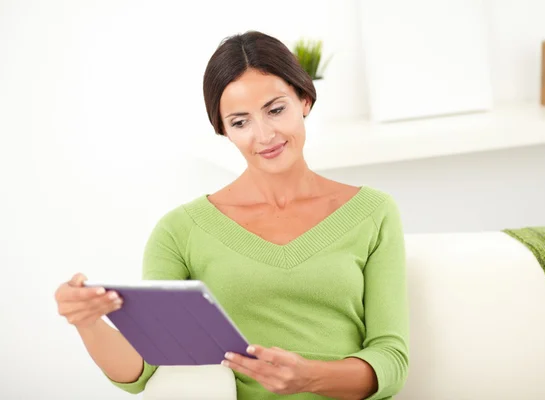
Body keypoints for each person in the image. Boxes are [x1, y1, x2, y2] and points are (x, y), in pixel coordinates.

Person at [54, 31, 409, 400]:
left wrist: (310, 377)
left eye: (276, 109)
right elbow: (148, 368)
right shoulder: (180, 232)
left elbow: (390, 358)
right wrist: (89, 322)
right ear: (224, 130)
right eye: (241, 122)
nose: (265, 135)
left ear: (304, 99)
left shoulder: (373, 212)